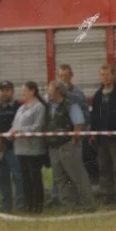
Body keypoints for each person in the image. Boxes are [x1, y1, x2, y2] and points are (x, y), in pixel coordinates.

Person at [45, 80, 96, 212]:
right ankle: (68, 205)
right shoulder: (49, 106)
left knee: (78, 176)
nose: (48, 94)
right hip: (53, 147)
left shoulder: (70, 105)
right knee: (61, 178)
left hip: (67, 145)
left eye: (50, 91)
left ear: (58, 92)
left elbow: (78, 124)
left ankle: (89, 205)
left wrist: (73, 141)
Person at [90, 65, 116, 205]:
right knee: (104, 167)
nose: (105, 77)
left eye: (107, 74)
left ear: (113, 76)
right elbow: (94, 115)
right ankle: (107, 194)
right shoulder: (98, 95)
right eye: (102, 74)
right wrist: (93, 133)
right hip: (102, 139)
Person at [9, 82, 48, 214]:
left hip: (34, 149)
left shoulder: (39, 107)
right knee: (25, 178)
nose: (23, 93)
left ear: (32, 91)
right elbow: (14, 124)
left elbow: (37, 127)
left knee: (34, 177)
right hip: (20, 149)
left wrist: (19, 131)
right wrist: (10, 133)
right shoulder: (21, 108)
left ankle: (37, 205)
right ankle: (28, 204)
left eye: (25, 91)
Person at [0, 81, 24, 212]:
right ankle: (6, 204)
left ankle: (21, 204)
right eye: (2, 90)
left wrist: (6, 143)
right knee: (1, 177)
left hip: (13, 148)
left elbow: (18, 127)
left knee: (18, 177)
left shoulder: (18, 108)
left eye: (7, 90)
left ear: (12, 91)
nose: (4, 93)